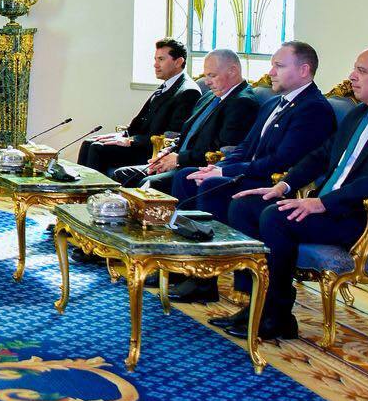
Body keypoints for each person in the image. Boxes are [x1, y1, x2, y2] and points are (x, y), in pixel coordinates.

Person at [215, 46, 368, 341]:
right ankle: (256, 302)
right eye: (355, 69)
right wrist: (284, 186)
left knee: (276, 219)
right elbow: (321, 155)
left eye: (361, 71)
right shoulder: (360, 113)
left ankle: (277, 315)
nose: (352, 76)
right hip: (335, 208)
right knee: (246, 205)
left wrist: (323, 203)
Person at [167, 41, 337, 303]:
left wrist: (225, 174)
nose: (271, 72)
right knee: (187, 176)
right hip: (249, 173)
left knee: (210, 187)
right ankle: (187, 267)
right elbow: (245, 147)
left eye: (279, 66)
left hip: (270, 182)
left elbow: (282, 160)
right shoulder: (274, 103)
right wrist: (219, 167)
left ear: (304, 70)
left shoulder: (313, 108)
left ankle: (211, 280)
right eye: (272, 65)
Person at [110, 48, 261, 191]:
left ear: (233, 71)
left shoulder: (242, 103)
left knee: (148, 184)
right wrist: (169, 151)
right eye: (206, 75)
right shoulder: (210, 95)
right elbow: (188, 132)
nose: (206, 82)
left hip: (196, 168)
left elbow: (222, 149)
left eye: (212, 75)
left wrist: (178, 159)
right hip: (179, 159)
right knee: (122, 175)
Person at [78, 39, 202, 173]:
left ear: (178, 62)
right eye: (155, 59)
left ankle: (96, 187)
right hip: (139, 142)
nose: (155, 65)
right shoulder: (168, 85)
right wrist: (124, 134)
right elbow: (143, 120)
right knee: (88, 143)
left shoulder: (188, 91)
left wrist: (131, 141)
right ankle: (76, 186)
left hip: (150, 150)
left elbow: (171, 135)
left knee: (97, 148)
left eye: (161, 59)